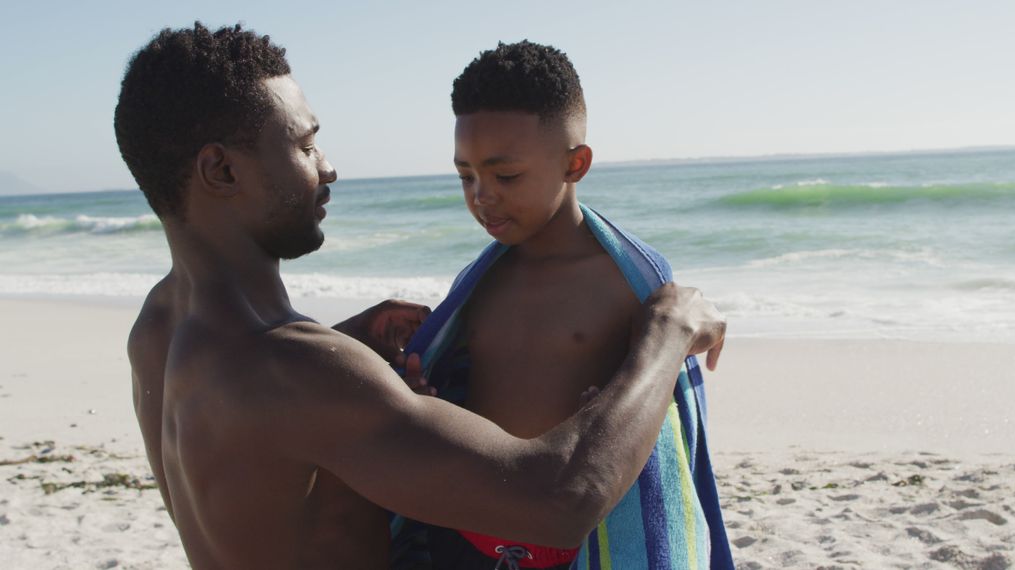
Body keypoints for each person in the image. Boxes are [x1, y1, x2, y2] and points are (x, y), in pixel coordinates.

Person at [115, 23, 727, 569]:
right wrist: (665, 334)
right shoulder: (299, 371)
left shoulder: (160, 326)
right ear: (221, 171)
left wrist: (343, 343)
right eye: (303, 145)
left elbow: (256, 457)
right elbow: (561, 497)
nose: (327, 168)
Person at [401, 41, 735, 569]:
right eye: (466, 175)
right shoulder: (480, 283)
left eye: (504, 175)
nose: (481, 195)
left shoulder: (630, 285)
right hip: (468, 539)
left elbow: (651, 408)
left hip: (576, 547)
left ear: (575, 163)